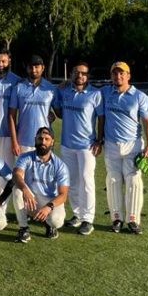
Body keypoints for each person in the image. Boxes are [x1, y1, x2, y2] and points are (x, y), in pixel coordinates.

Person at [97, 61, 148, 235]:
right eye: (115, 73)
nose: (118, 76)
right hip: (111, 144)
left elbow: (147, 122)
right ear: (111, 76)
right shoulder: (105, 92)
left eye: (122, 73)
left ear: (128, 75)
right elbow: (85, 89)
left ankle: (133, 220)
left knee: (134, 181)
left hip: (133, 145)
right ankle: (116, 218)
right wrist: (64, 84)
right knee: (113, 180)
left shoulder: (139, 96)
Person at [55, 61, 103, 236]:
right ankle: (77, 215)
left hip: (86, 146)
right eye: (76, 72)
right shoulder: (64, 90)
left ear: (87, 76)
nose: (80, 75)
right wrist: (60, 85)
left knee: (87, 181)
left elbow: (101, 118)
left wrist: (99, 140)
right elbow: (59, 110)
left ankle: (88, 219)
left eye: (83, 73)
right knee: (72, 182)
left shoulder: (95, 94)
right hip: (67, 144)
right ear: (72, 74)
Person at [12, 127, 70, 243]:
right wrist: (25, 189)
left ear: (52, 142)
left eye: (46, 139)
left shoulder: (60, 166)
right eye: (40, 138)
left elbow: (63, 195)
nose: (43, 142)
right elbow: (16, 174)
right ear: (35, 140)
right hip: (31, 197)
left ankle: (49, 225)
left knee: (57, 221)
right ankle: (24, 228)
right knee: (17, 189)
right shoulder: (25, 157)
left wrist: (48, 207)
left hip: (49, 200)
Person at [8, 54, 59, 157]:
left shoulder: (51, 88)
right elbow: (11, 116)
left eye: (37, 67)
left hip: (45, 140)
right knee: (22, 173)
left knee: (44, 172)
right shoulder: (18, 87)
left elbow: (60, 113)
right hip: (23, 141)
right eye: (31, 67)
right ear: (26, 68)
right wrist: (14, 141)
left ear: (43, 68)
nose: (34, 70)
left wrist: (53, 115)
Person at [0, 48, 21, 210]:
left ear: (9, 61)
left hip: (9, 135)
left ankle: (1, 208)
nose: (0, 64)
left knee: (5, 174)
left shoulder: (17, 81)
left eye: (4, 61)